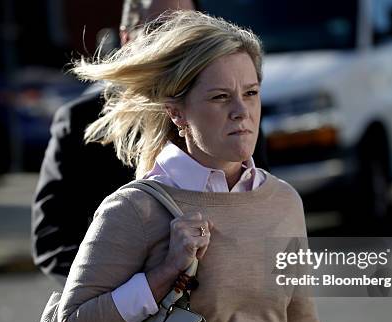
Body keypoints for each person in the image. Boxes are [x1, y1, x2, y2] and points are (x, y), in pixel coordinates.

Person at [57, 11, 338, 322]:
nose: (242, 111)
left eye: (251, 93)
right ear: (177, 113)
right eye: (221, 97)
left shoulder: (283, 201)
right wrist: (163, 274)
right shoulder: (135, 209)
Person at [31, 0, 268, 284]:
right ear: (126, 36)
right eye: (160, 28)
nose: (175, 39)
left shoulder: (237, 112)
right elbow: (53, 241)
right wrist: (143, 287)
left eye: (187, 27)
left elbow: (265, 219)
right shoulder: (81, 121)